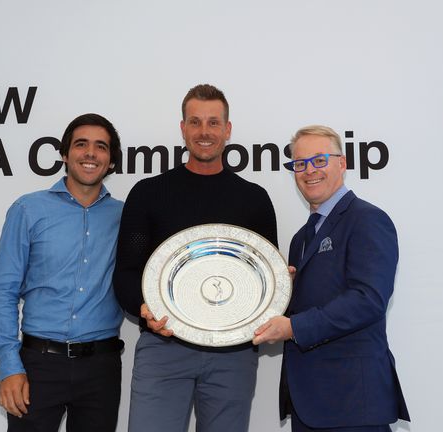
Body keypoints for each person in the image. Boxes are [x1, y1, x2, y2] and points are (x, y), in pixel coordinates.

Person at [113, 84, 278, 432]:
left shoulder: (255, 199)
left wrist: (280, 290)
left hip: (233, 354)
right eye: (196, 122)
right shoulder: (148, 194)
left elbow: (268, 277)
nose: (205, 132)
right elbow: (128, 271)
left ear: (227, 130)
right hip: (164, 345)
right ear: (183, 128)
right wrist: (145, 309)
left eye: (214, 123)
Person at [253, 125, 409, 431]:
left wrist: (293, 327)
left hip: (352, 402)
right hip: (308, 402)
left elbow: (369, 300)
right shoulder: (301, 238)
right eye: (300, 164)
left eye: (320, 160)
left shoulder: (367, 220)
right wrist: (278, 292)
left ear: (342, 163)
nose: (309, 170)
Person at [0, 113, 125, 431]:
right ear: (64, 154)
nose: (90, 153)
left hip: (101, 369)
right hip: (37, 365)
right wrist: (9, 365)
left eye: (101, 146)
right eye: (81, 144)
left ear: (111, 161)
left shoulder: (125, 216)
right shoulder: (28, 210)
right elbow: (3, 293)